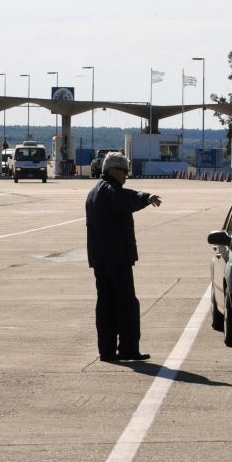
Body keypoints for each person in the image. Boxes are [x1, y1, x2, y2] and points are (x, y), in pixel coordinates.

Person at [85, 152, 162, 362]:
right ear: (112, 171)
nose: (126, 176)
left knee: (106, 304)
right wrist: (146, 197)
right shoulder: (109, 190)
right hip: (115, 258)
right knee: (126, 304)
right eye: (124, 171)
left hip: (102, 258)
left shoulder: (94, 192)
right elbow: (125, 199)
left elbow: (123, 196)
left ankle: (107, 351)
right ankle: (128, 348)